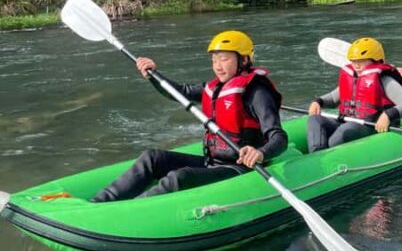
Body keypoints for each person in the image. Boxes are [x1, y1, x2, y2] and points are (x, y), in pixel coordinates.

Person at [90, 30, 287, 201]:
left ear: (244, 60)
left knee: (180, 177)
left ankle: (128, 211)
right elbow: (179, 92)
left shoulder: (257, 92)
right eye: (214, 59)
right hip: (212, 163)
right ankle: (99, 203)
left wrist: (260, 153)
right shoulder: (213, 88)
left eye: (224, 58)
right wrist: (153, 75)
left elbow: (279, 137)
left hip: (240, 168)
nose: (218, 66)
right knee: (153, 157)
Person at [307, 37, 402, 153]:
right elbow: (334, 98)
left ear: (375, 61)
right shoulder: (353, 77)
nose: (356, 65)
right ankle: (316, 155)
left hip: (370, 125)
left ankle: (329, 157)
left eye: (361, 61)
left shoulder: (384, 80)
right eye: (354, 61)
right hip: (346, 121)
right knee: (315, 120)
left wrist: (388, 115)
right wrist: (317, 102)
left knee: (340, 135)